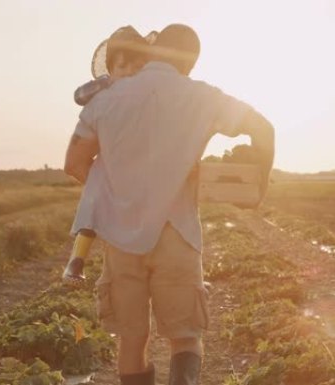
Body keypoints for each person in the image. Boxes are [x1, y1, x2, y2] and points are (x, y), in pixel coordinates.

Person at [63, 23, 275, 385]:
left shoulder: (107, 96)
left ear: (156, 49)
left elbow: (75, 163)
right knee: (186, 336)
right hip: (177, 233)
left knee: (132, 339)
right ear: (191, 62)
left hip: (120, 238)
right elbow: (263, 129)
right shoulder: (204, 96)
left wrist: (121, 193)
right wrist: (259, 185)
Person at [62, 26, 151, 286]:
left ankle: (175, 269)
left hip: (142, 163)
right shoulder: (103, 92)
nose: (128, 73)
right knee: (95, 191)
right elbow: (79, 95)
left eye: (136, 68)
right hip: (110, 162)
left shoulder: (150, 96)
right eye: (121, 68)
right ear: (110, 69)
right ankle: (77, 260)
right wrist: (106, 82)